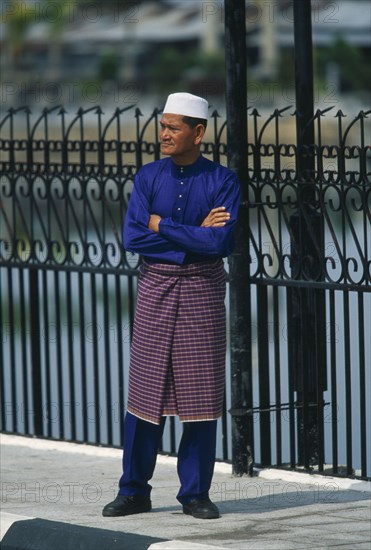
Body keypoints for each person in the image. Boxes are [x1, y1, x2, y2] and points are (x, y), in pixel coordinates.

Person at [102, 92, 240, 520]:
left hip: (202, 292)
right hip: (155, 289)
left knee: (201, 395)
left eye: (173, 127)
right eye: (162, 125)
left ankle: (195, 495)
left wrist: (164, 225)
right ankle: (133, 491)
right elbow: (133, 238)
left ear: (198, 133)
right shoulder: (148, 177)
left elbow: (220, 242)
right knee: (145, 394)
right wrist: (190, 232)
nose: (163, 133)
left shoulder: (223, 180)